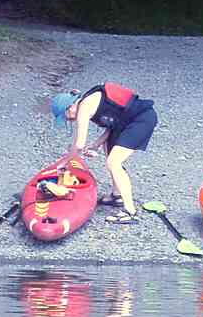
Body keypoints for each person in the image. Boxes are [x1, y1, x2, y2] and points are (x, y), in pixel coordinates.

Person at [50, 82, 158, 223]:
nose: (69, 120)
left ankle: (130, 211)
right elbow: (112, 126)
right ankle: (116, 195)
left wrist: (65, 162)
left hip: (142, 119)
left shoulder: (84, 106)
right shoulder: (89, 102)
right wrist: (95, 146)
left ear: (70, 106)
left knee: (114, 162)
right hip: (127, 122)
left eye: (66, 116)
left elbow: (79, 144)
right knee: (108, 147)